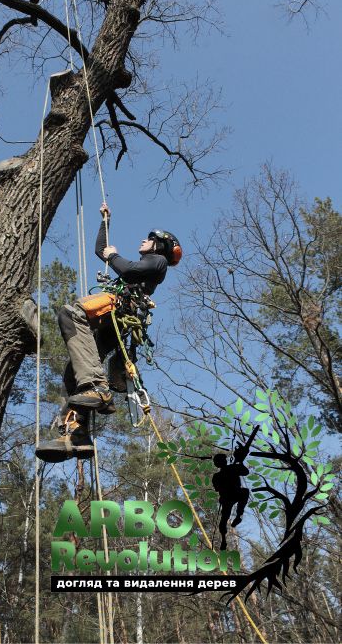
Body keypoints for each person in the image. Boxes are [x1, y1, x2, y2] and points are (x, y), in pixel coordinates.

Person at [36, 203, 182, 463]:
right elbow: (100, 251)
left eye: (149, 239)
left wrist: (114, 256)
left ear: (160, 245)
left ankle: (97, 387)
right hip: (112, 323)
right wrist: (106, 222)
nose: (143, 240)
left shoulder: (158, 262)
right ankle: (77, 434)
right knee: (73, 373)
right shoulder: (145, 261)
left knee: (71, 313)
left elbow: (126, 269)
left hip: (120, 310)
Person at [212, 452, 250, 550]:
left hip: (235, 493)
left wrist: (240, 462)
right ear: (217, 464)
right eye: (221, 461)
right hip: (227, 497)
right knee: (224, 518)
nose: (223, 462)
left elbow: (245, 472)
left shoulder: (232, 468)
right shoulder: (217, 476)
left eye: (223, 460)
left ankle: (239, 515)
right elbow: (217, 488)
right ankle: (223, 539)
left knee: (245, 492)